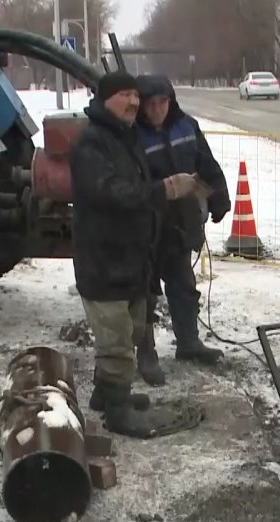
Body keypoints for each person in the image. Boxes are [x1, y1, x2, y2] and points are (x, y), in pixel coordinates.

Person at [69, 70, 199, 437]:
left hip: (131, 261)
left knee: (130, 332)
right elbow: (114, 193)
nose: (133, 103)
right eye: (124, 95)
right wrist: (166, 189)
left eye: (135, 96)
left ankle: (106, 394)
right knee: (115, 341)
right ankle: (117, 411)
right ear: (104, 99)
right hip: (104, 262)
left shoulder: (125, 138)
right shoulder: (91, 144)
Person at [134, 74, 231, 386]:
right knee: (144, 294)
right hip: (146, 226)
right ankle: (146, 354)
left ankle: (188, 342)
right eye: (151, 104)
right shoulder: (131, 135)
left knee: (183, 285)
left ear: (171, 101)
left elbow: (206, 162)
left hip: (180, 222)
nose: (158, 109)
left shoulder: (186, 125)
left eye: (163, 102)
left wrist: (219, 195)